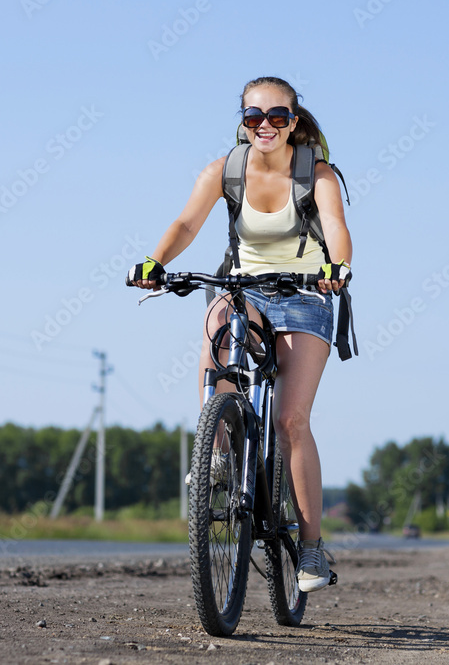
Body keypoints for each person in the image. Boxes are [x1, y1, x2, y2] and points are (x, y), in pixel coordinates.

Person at [128, 76, 351, 592]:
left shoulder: (316, 174)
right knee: (215, 326)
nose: (265, 125)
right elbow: (187, 223)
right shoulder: (224, 170)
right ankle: (219, 456)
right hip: (245, 288)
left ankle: (312, 550)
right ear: (243, 122)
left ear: (294, 122)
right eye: (254, 117)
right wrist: (154, 262)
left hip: (305, 295)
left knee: (291, 419)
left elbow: (336, 227)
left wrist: (336, 265)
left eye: (277, 116)